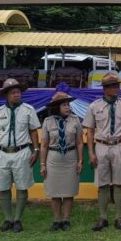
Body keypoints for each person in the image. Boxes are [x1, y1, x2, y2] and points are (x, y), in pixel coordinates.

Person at [83, 71, 121, 231]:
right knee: (102, 184)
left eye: (117, 86)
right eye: (113, 86)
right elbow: (90, 131)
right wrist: (91, 153)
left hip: (120, 145)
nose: (117, 89)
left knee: (120, 184)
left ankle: (119, 218)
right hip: (101, 146)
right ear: (105, 89)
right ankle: (103, 218)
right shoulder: (94, 106)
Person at [0, 78, 40, 233]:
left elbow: (34, 131)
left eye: (18, 92)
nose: (16, 95)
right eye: (13, 93)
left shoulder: (28, 110)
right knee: (3, 186)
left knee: (22, 186)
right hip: (2, 153)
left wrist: (36, 150)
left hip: (22, 152)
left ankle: (18, 219)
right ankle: (7, 219)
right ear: (6, 95)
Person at [39, 91, 83, 231]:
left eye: (68, 104)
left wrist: (80, 161)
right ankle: (57, 220)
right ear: (56, 107)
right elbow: (44, 145)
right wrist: (42, 164)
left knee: (69, 191)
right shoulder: (48, 122)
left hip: (70, 158)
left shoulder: (75, 120)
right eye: (64, 105)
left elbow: (79, 142)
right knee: (55, 192)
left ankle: (66, 220)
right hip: (53, 159)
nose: (67, 107)